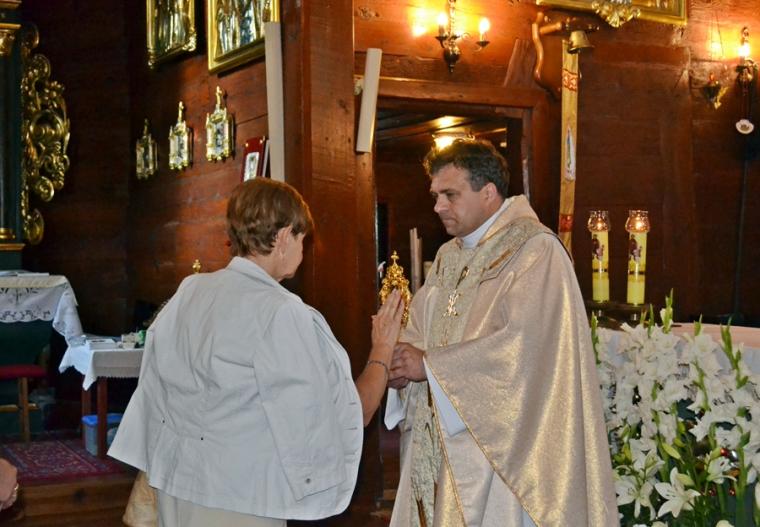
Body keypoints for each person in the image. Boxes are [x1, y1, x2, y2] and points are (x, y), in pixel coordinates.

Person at [109, 178, 403, 527]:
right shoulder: (280, 312)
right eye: (302, 239)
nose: (303, 250)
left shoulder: (190, 291)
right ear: (284, 237)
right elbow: (344, 416)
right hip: (237, 498)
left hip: (177, 485)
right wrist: (383, 348)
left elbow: (156, 389)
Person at [386, 139, 618, 527]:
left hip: (502, 455)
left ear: (488, 192)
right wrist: (397, 361)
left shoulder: (535, 252)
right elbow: (421, 330)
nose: (438, 206)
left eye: (450, 195)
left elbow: (525, 351)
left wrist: (429, 366)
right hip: (440, 440)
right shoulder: (448, 256)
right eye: (435, 195)